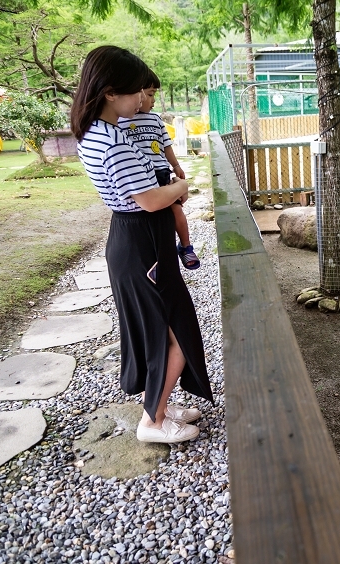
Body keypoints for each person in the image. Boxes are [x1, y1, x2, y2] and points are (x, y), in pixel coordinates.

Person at [70, 45, 214, 444]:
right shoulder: (113, 140)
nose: (143, 99)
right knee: (174, 333)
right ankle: (152, 421)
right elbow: (151, 199)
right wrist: (182, 186)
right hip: (141, 243)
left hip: (135, 239)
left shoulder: (99, 133)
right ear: (111, 92)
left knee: (163, 330)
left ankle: (160, 404)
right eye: (137, 92)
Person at [118, 70, 200, 270]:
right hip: (141, 177)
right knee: (154, 216)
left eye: (154, 94)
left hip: (161, 173)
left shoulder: (155, 120)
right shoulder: (120, 123)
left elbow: (166, 147)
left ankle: (186, 246)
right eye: (150, 94)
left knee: (176, 211)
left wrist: (176, 166)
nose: (152, 100)